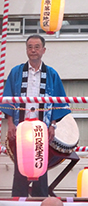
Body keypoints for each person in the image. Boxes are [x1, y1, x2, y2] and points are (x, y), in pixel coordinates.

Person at [2, 34, 71, 197]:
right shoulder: (16, 72)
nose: (33, 50)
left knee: (41, 165)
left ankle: (40, 199)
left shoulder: (51, 74)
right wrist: (10, 124)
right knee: (20, 166)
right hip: (21, 128)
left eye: (36, 47)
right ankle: (18, 199)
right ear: (26, 50)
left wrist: (53, 124)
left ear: (43, 50)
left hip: (42, 129)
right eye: (30, 47)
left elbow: (58, 101)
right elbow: (7, 98)